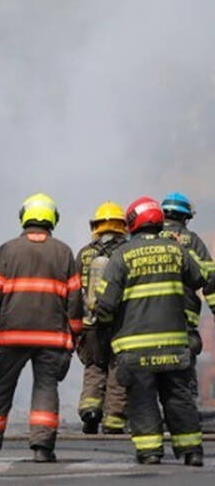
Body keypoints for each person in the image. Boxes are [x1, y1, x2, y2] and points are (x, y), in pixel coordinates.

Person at [95, 196, 206, 466]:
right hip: (174, 344)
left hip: (136, 347)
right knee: (178, 397)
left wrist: (104, 323)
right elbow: (200, 277)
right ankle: (191, 451)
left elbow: (106, 304)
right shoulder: (176, 250)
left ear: (133, 222)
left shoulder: (122, 255)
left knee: (142, 399)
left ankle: (150, 452)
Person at [0, 193, 81, 464]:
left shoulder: (8, 250)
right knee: (46, 389)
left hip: (10, 335)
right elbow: (75, 299)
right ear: (52, 219)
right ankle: (42, 448)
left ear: (25, 217)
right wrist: (75, 333)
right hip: (51, 338)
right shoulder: (64, 252)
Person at [75, 201, 128, 434]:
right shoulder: (127, 251)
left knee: (94, 367)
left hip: (90, 325)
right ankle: (114, 419)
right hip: (120, 323)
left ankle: (90, 411)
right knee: (116, 368)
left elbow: (75, 288)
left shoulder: (85, 253)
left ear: (96, 226)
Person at [159, 191, 215, 402]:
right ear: (185, 217)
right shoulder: (193, 240)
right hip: (183, 317)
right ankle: (185, 410)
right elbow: (210, 278)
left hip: (145, 317)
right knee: (183, 371)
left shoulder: (147, 239)